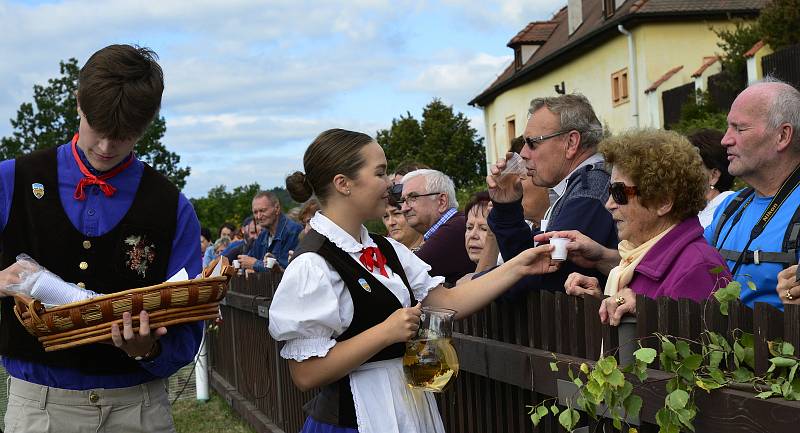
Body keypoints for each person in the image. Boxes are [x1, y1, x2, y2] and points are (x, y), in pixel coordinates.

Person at [269, 128, 557, 433]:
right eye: (380, 173)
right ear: (343, 184)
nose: (391, 185)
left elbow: (447, 302)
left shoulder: (385, 248)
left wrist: (519, 266)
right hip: (355, 419)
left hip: (407, 406)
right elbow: (306, 374)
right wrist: (385, 332)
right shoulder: (312, 264)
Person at [0, 44, 202, 433]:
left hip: (139, 409)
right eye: (99, 128)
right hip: (38, 409)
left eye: (125, 136)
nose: (107, 147)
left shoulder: (172, 206)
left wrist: (149, 349)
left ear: (150, 122)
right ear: (78, 103)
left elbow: (189, 323)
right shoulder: (13, 179)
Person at [559, 130, 732, 326]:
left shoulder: (697, 267)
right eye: (610, 191)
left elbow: (695, 349)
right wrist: (601, 300)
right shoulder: (638, 258)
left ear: (663, 201)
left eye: (619, 192)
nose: (609, 204)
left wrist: (646, 312)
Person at [487, 94, 617, 295]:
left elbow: (539, 278)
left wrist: (470, 287)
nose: (523, 153)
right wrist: (507, 207)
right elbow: (529, 263)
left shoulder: (590, 189)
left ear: (571, 143)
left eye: (532, 143)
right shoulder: (581, 185)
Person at [705, 78, 800, 309]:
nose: (725, 140)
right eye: (728, 127)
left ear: (782, 136)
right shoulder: (731, 208)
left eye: (739, 128)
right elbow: (684, 264)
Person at [400, 169, 475, 285]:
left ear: (441, 201)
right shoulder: (456, 223)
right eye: (403, 200)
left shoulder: (454, 229)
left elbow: (404, 275)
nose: (404, 208)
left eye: (413, 197)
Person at [238, 191, 302, 271]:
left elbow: (287, 271)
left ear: (277, 208)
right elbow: (248, 260)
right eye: (255, 212)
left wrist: (255, 265)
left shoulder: (293, 231)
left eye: (262, 211)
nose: (258, 216)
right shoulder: (263, 235)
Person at [688, 129, 736, 228]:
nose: (682, 172)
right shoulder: (700, 209)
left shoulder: (725, 211)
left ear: (713, 175)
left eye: (691, 166)